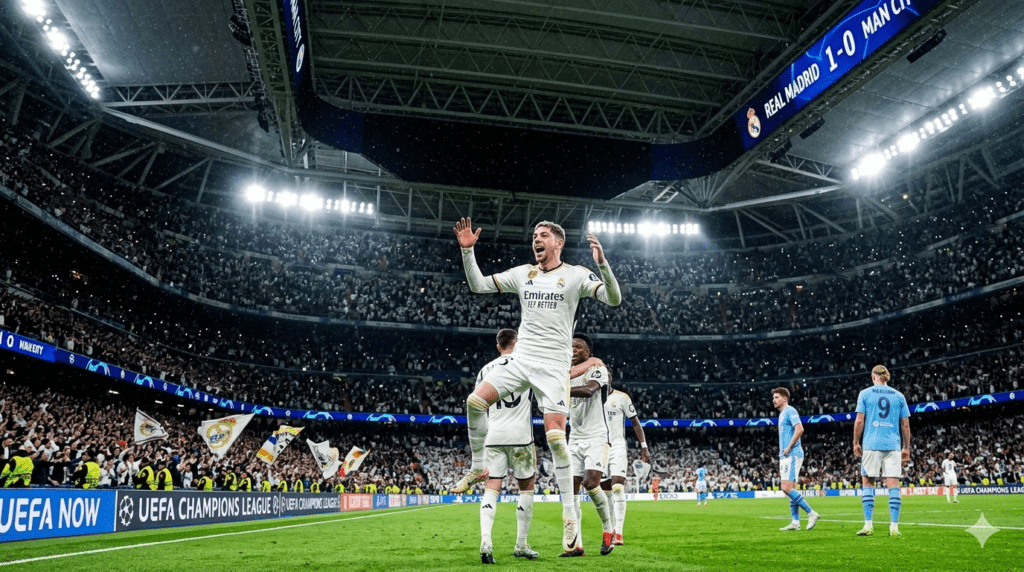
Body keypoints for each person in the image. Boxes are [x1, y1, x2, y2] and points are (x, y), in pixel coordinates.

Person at [452, 217, 622, 556]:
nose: (536, 240)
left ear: (558, 243)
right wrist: (467, 251)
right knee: (474, 401)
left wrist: (603, 266)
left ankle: (570, 521)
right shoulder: (522, 274)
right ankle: (475, 467)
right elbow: (478, 285)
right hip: (521, 361)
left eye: (543, 235)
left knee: (556, 440)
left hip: (553, 369)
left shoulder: (574, 274)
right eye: (534, 236)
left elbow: (614, 299)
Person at [476, 329, 540, 564]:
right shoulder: (527, 364)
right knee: (527, 488)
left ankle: (486, 540)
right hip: (521, 437)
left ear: (498, 346)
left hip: (493, 436)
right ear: (518, 342)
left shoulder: (485, 370)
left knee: (492, 488)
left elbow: (477, 406)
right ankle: (521, 544)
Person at [565, 334, 615, 556]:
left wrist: (558, 391)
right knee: (572, 493)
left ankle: (608, 530)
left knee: (591, 483)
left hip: (596, 436)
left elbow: (589, 391)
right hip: (574, 438)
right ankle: (577, 545)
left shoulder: (597, 368)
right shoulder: (567, 374)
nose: (574, 349)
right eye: (571, 346)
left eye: (579, 346)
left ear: (588, 352)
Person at [853, 365, 911, 537]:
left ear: (873, 377)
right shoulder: (899, 396)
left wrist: (856, 442)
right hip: (893, 445)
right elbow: (905, 424)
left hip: (871, 444)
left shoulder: (865, 393)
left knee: (868, 483)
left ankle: (868, 525)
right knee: (893, 485)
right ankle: (894, 527)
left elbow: (859, 420)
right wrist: (906, 447)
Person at [596, 366, 649, 545]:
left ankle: (619, 533)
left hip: (617, 446)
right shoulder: (592, 397)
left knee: (618, 486)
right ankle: (609, 529)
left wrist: (644, 446)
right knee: (606, 491)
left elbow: (635, 422)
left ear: (610, 378)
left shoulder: (622, 397)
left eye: (605, 376)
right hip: (598, 448)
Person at [773, 388, 820, 531]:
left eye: (776, 397)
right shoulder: (782, 415)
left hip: (792, 454)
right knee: (791, 488)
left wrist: (788, 447)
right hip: (786, 455)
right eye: (773, 398)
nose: (774, 400)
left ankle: (811, 513)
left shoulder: (790, 411)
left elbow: (800, 429)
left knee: (786, 488)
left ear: (784, 398)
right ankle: (795, 522)